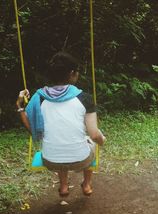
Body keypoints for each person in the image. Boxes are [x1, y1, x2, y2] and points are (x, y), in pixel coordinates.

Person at [16, 51, 105, 197]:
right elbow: (95, 134)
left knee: (58, 147)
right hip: (80, 160)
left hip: (50, 160)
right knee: (92, 143)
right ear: (72, 73)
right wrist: (102, 140)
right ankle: (87, 184)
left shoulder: (39, 98)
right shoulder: (84, 98)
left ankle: (64, 187)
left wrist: (19, 105)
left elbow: (31, 129)